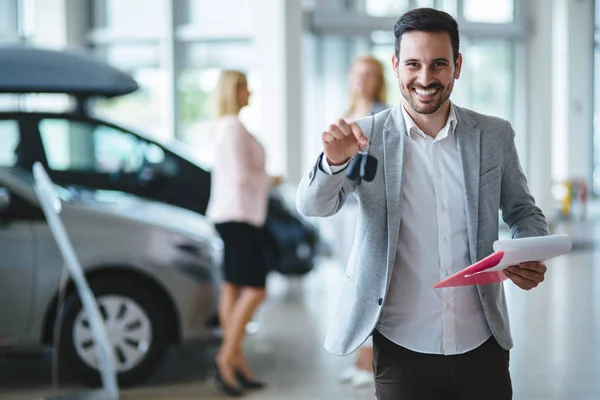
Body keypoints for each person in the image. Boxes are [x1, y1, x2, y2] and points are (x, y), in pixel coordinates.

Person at [296, 8, 548, 400]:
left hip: (482, 342)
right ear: (395, 65)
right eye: (413, 64)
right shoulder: (365, 135)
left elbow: (523, 211)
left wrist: (529, 249)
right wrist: (333, 163)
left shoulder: (494, 135)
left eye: (439, 64)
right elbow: (314, 206)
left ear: (457, 66)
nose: (425, 78)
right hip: (400, 346)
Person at [206, 70, 278, 397]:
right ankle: (225, 358)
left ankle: (236, 361)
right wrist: (271, 180)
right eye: (245, 88)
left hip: (229, 215)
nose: (250, 93)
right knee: (255, 289)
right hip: (239, 216)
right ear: (234, 92)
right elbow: (241, 177)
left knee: (232, 289)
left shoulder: (223, 126)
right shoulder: (233, 127)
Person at [338, 55, 389, 388]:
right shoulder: (346, 114)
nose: (362, 80)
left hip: (369, 208)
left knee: (369, 284)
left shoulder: (382, 116)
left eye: (369, 75)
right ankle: (359, 359)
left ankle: (369, 362)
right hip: (345, 210)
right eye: (358, 74)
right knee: (351, 282)